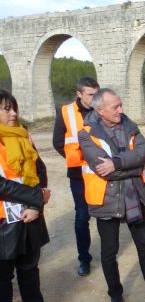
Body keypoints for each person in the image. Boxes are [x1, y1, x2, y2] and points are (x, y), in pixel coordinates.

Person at [79, 88, 145, 302]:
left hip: (134, 195)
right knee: (109, 252)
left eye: (120, 105)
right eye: (115, 107)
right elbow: (104, 171)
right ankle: (115, 295)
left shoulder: (128, 124)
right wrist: (131, 167)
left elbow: (144, 151)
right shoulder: (86, 133)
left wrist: (116, 162)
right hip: (106, 200)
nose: (120, 110)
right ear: (100, 109)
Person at [0, 90, 65, 302]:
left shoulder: (23, 134)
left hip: (29, 214)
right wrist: (36, 197)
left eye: (14, 107)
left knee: (30, 268)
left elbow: (40, 169)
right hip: (4, 221)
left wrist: (36, 204)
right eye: (6, 108)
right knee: (3, 278)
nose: (13, 113)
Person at [52, 77, 99, 276]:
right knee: (82, 217)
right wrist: (74, 158)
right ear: (79, 94)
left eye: (96, 93)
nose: (94, 98)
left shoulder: (101, 108)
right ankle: (84, 259)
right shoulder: (66, 112)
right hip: (79, 175)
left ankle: (108, 256)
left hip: (101, 173)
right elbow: (57, 142)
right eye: (90, 94)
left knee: (106, 215)